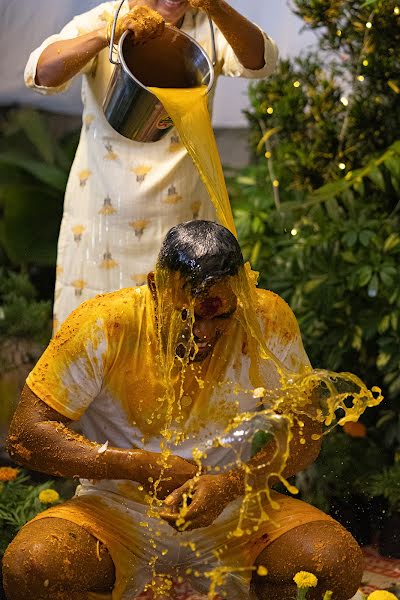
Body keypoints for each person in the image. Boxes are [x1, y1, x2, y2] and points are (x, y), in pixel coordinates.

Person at [3, 221, 363, 600]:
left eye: (221, 316)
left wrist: (228, 485)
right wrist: (138, 466)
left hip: (233, 510)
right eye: (188, 316)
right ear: (156, 288)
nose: (205, 334)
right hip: (115, 509)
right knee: (32, 564)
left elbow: (304, 435)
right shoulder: (103, 323)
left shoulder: (265, 317)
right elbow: (26, 434)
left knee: (333, 561)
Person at [24, 0, 278, 331]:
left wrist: (217, 8)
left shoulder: (209, 27)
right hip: (102, 223)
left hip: (182, 225)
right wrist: (106, 35)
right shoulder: (107, 17)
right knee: (94, 339)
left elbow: (262, 63)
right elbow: (41, 73)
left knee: (176, 341)